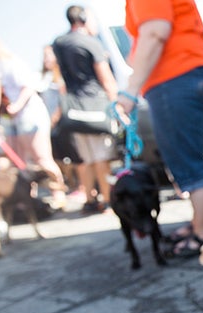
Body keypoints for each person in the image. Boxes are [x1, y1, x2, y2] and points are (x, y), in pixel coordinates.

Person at [114, 0, 203, 258]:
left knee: (190, 165)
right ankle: (199, 225)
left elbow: (155, 31)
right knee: (191, 159)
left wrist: (130, 89)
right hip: (191, 73)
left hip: (175, 78)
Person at [0, 26, 67, 209]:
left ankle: (59, 193)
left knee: (42, 158)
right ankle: (30, 201)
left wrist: (17, 105)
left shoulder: (8, 61)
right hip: (8, 118)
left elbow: (28, 86)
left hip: (28, 114)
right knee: (20, 163)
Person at [52, 5, 118, 214]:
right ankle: (107, 200)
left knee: (84, 158)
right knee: (101, 156)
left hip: (73, 108)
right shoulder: (91, 42)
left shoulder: (59, 43)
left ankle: (89, 199)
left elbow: (58, 76)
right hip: (96, 106)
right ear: (82, 19)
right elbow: (105, 77)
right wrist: (116, 104)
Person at [39, 44, 82, 196]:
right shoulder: (44, 77)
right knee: (58, 157)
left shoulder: (61, 75)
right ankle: (70, 184)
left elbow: (63, 98)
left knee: (73, 155)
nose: (46, 59)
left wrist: (55, 117)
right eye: (44, 56)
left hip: (63, 121)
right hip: (49, 123)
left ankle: (80, 187)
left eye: (49, 55)